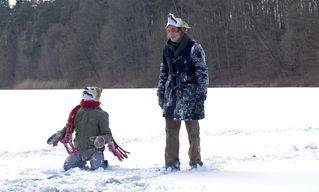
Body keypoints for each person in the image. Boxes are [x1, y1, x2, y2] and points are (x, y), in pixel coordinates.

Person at [157, 13, 209, 171]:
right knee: (171, 132)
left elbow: (202, 74)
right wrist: (160, 93)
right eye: (169, 31)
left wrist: (201, 95)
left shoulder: (194, 47)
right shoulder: (166, 48)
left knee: (193, 132)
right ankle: (171, 163)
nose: (171, 34)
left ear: (182, 31)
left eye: (174, 31)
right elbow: (163, 72)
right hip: (171, 96)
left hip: (190, 95)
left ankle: (195, 162)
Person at [48, 87, 114, 171]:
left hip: (94, 149)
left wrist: (102, 139)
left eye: (89, 94)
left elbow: (108, 134)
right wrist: (60, 134)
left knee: (98, 168)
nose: (85, 95)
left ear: (95, 97)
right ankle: (81, 162)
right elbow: (69, 127)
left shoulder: (102, 115)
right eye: (84, 93)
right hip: (79, 150)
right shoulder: (77, 111)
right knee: (67, 167)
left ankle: (102, 163)